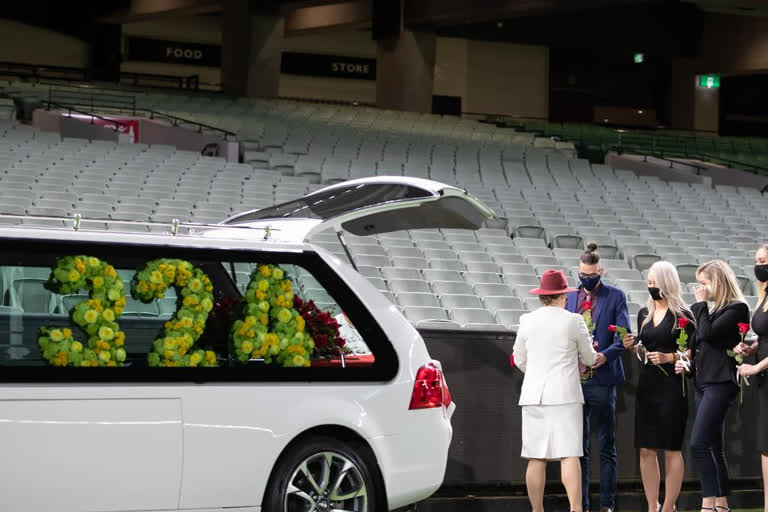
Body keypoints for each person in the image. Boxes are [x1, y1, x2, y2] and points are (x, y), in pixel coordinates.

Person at [513, 269, 597, 512]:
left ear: (542, 296)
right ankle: (576, 509)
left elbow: (519, 359)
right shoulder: (574, 320)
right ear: (563, 296)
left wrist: (537, 373)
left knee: (535, 457)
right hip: (565, 396)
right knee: (569, 454)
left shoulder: (527, 320)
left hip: (533, 396)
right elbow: (590, 359)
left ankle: (537, 510)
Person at [622, 261, 695, 512]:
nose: (650, 286)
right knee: (646, 449)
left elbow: (692, 353)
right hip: (648, 386)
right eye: (649, 282)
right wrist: (633, 347)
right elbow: (643, 354)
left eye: (654, 282)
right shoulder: (645, 313)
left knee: (671, 449)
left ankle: (669, 507)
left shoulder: (684, 315)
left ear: (667, 283)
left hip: (673, 387)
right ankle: (653, 506)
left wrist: (670, 357)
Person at [677, 260, 749, 512]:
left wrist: (700, 304)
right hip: (702, 381)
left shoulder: (737, 308)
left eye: (704, 282)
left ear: (718, 281)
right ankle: (722, 504)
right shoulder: (713, 310)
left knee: (698, 443)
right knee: (714, 446)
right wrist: (686, 362)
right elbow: (698, 343)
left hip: (720, 382)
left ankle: (707, 504)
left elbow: (708, 334)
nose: (701, 288)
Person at [566, 242, 630, 512]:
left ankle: (607, 504)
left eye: (591, 275)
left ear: (600, 271)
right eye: (583, 274)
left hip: (603, 379)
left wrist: (607, 355)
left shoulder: (616, 296)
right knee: (577, 448)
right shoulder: (569, 297)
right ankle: (580, 504)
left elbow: (624, 335)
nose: (587, 279)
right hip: (574, 381)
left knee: (606, 445)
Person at [735, 244, 768, 512]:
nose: (759, 265)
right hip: (765, 380)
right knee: (766, 446)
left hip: (764, 374)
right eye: (756, 260)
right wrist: (752, 348)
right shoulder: (764, 295)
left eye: (764, 260)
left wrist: (756, 367)